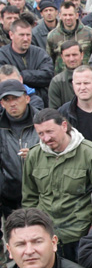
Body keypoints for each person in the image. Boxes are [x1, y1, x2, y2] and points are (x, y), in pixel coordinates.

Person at [22, 108, 92, 262]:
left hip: (81, 233)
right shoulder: (34, 155)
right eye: (40, 134)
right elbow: (29, 196)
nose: (46, 138)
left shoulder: (90, 153)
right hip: (47, 233)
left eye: (50, 131)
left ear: (64, 126)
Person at [0, 80, 39, 228]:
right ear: (2, 103)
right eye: (7, 100)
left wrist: (36, 154)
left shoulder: (42, 121)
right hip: (9, 197)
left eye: (16, 98)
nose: (12, 103)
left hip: (40, 194)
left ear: (27, 98)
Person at [0, 19, 53, 102]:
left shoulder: (40, 53)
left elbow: (48, 75)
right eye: (21, 35)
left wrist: (22, 75)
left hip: (41, 102)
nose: (25, 39)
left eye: (28, 35)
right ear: (11, 35)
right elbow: (6, 81)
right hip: (11, 103)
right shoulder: (2, 55)